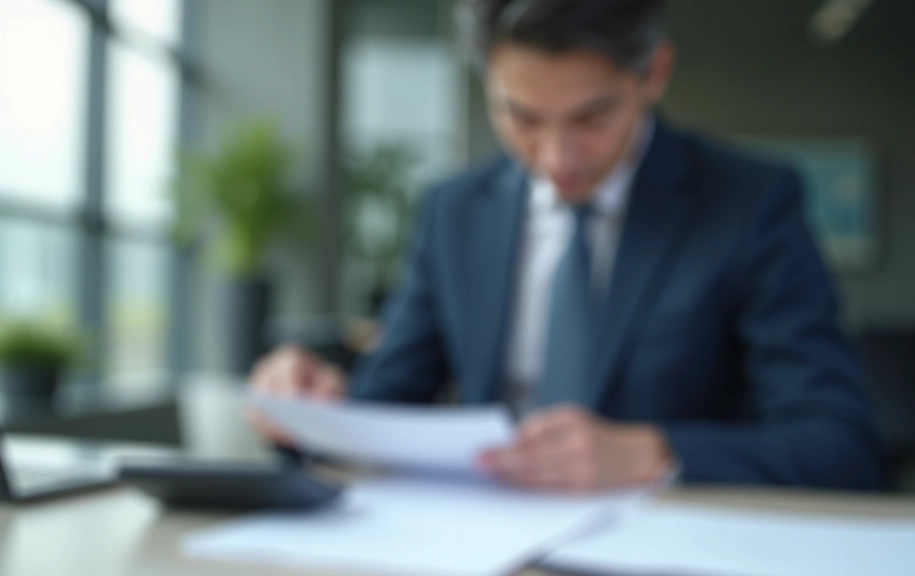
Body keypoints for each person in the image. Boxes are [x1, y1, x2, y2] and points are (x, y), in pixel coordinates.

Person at [250, 0, 882, 492]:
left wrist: (653, 453)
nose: (557, 159)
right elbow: (387, 405)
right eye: (521, 118)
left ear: (654, 73)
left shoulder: (749, 203)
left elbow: (839, 445)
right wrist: (319, 409)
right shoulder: (453, 213)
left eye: (591, 118)